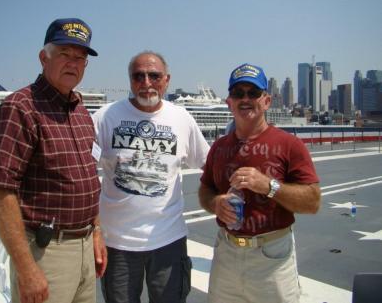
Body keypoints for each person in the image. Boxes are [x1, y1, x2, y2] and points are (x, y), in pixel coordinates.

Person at [0, 18, 107, 303]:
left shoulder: (80, 110)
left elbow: (88, 176)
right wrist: (26, 269)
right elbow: (1, 190)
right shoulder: (21, 107)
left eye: (80, 58)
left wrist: (97, 232)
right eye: (64, 54)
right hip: (47, 252)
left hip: (85, 247)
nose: (73, 63)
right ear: (43, 57)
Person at [92, 51, 210, 303]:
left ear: (166, 79)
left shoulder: (182, 118)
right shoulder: (105, 117)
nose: (146, 83)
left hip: (168, 240)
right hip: (117, 243)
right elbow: (82, 173)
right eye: (139, 76)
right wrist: (94, 230)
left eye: (154, 76)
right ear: (130, 80)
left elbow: (209, 165)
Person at [198, 63, 321, 303]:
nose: (245, 99)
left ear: (266, 101)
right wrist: (216, 203)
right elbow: (205, 189)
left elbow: (313, 202)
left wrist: (268, 185)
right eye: (238, 93)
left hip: (272, 257)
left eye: (253, 93)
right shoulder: (219, 147)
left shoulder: (290, 145)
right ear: (229, 102)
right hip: (227, 252)